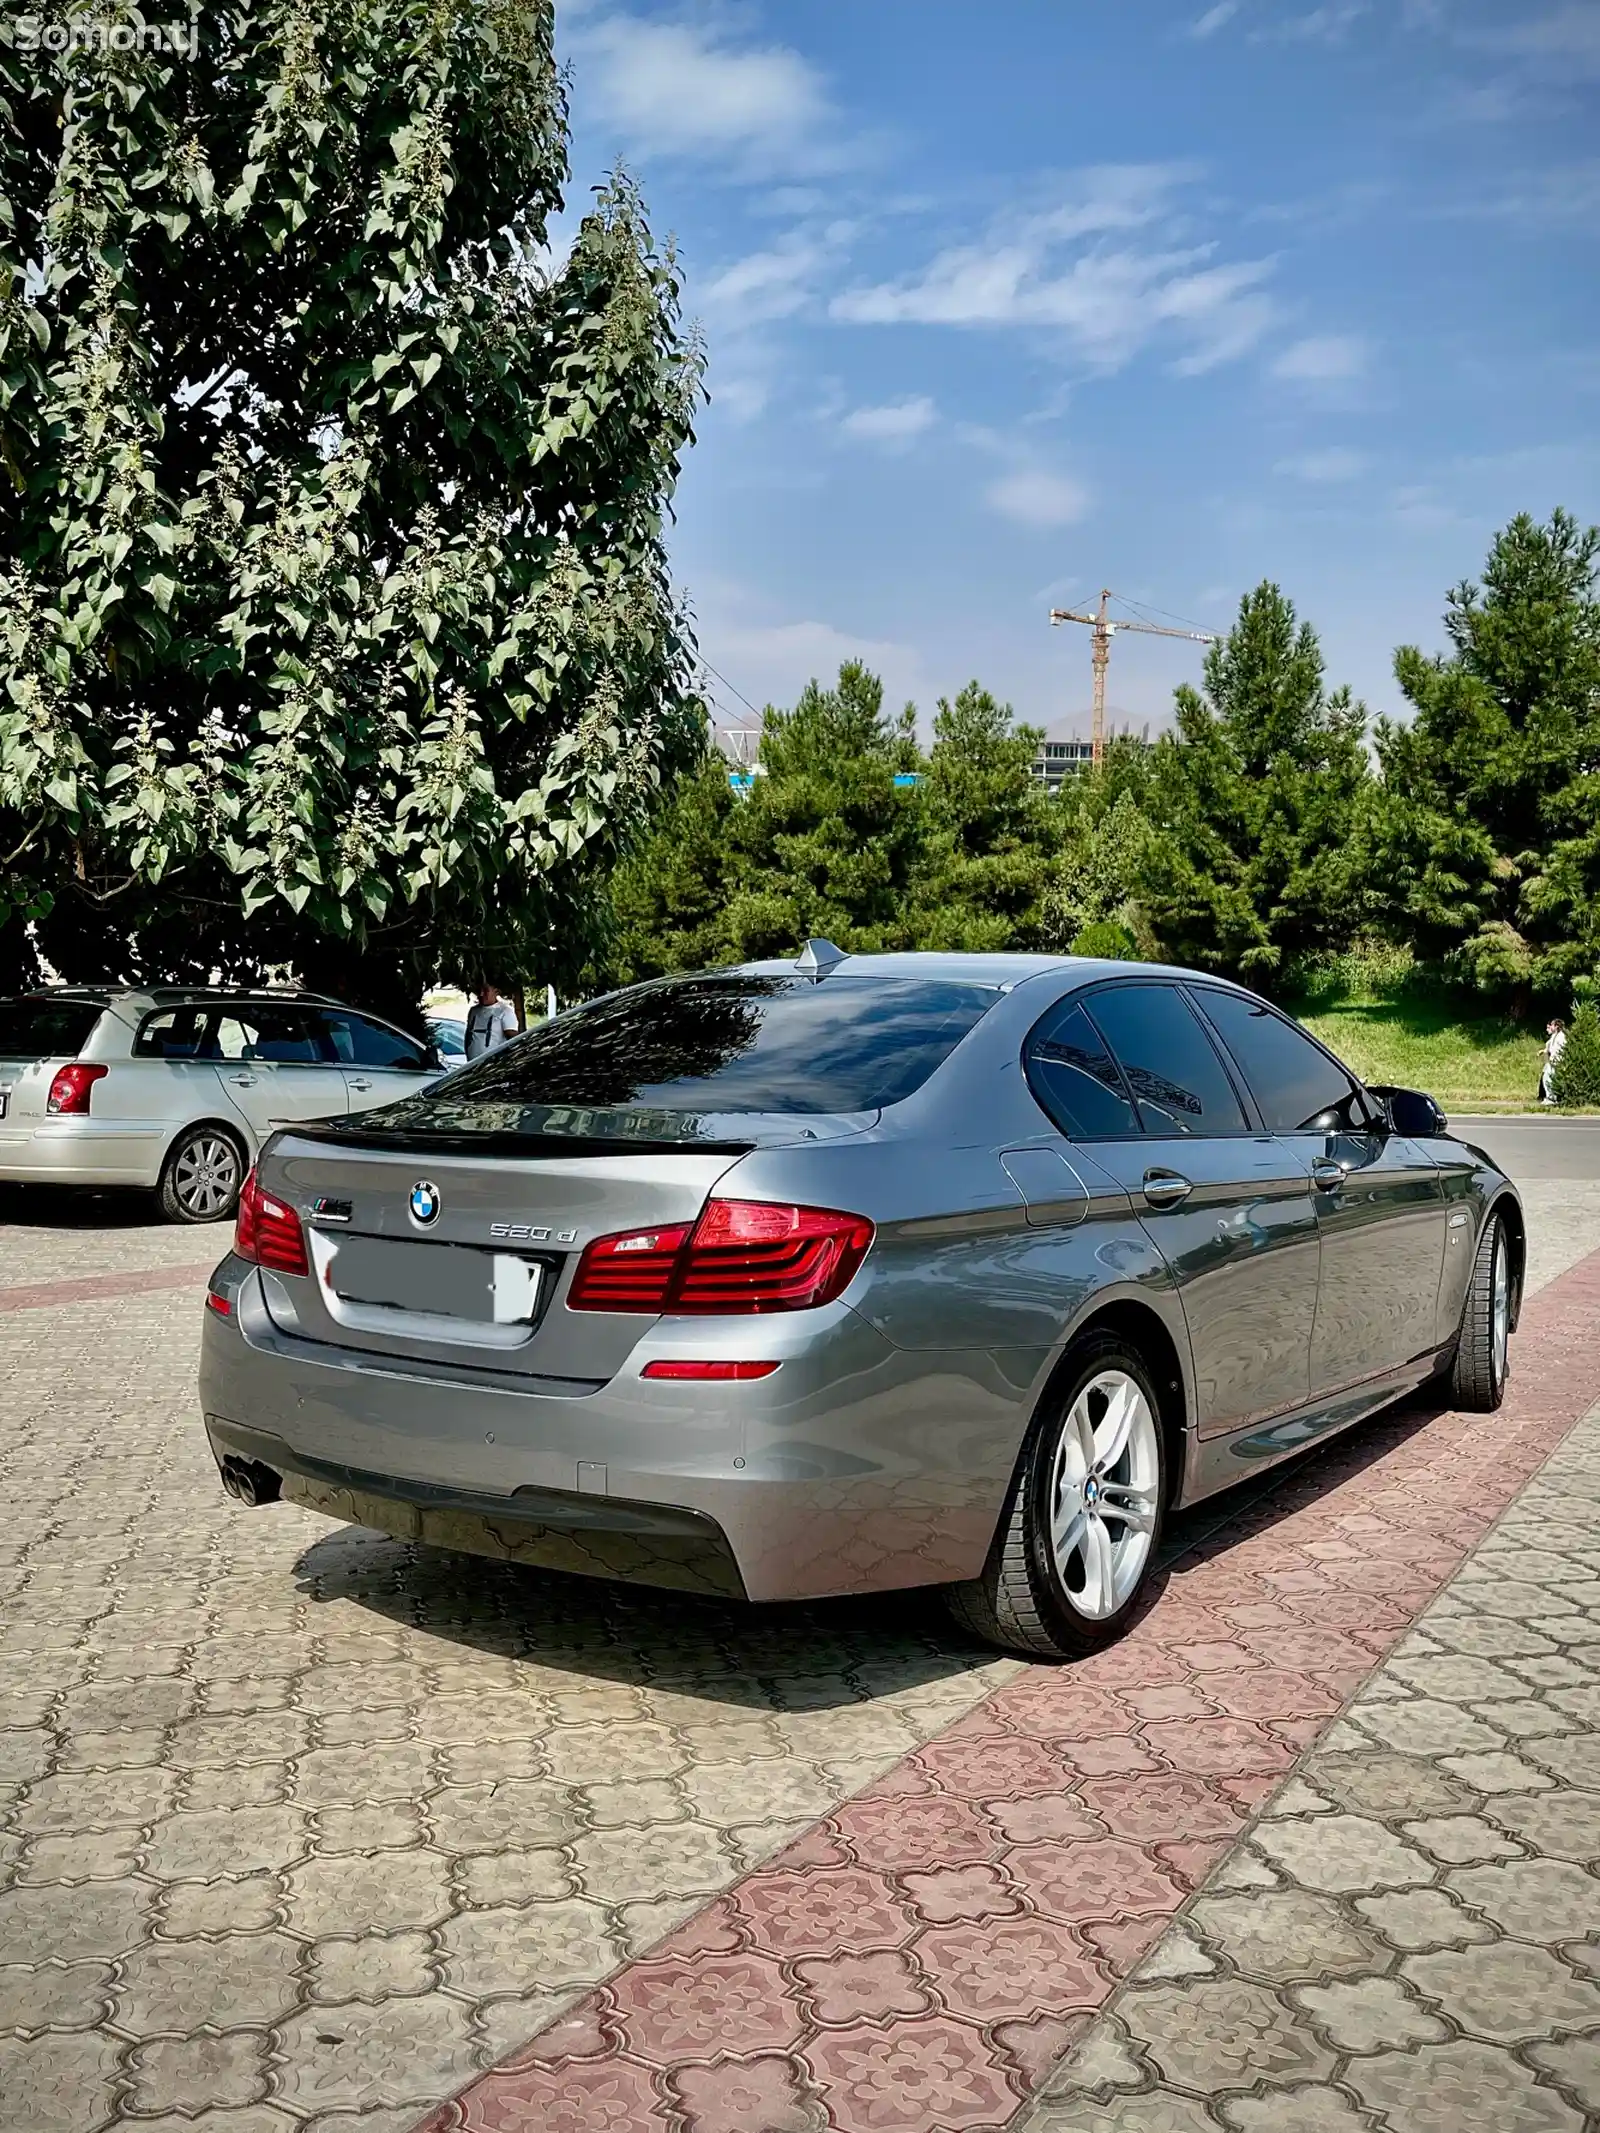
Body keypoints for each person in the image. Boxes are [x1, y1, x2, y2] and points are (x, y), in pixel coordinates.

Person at [464, 982, 519, 1060]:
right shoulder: (474, 1011)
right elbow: (468, 1034)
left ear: (496, 991)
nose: (481, 994)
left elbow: (513, 1038)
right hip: (471, 1064)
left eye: (486, 991)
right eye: (479, 990)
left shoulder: (505, 1011)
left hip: (492, 1065)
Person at [1540, 1017, 1567, 1106]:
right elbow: (1549, 1045)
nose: (1550, 1027)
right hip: (1553, 1061)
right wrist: (1544, 1051)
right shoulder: (1554, 1036)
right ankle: (1551, 1097)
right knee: (1547, 1078)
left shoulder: (1561, 1036)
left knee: (1549, 1079)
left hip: (1557, 1061)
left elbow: (1560, 1050)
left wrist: (1557, 1060)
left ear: (1556, 1026)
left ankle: (1552, 1098)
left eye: (1552, 1025)